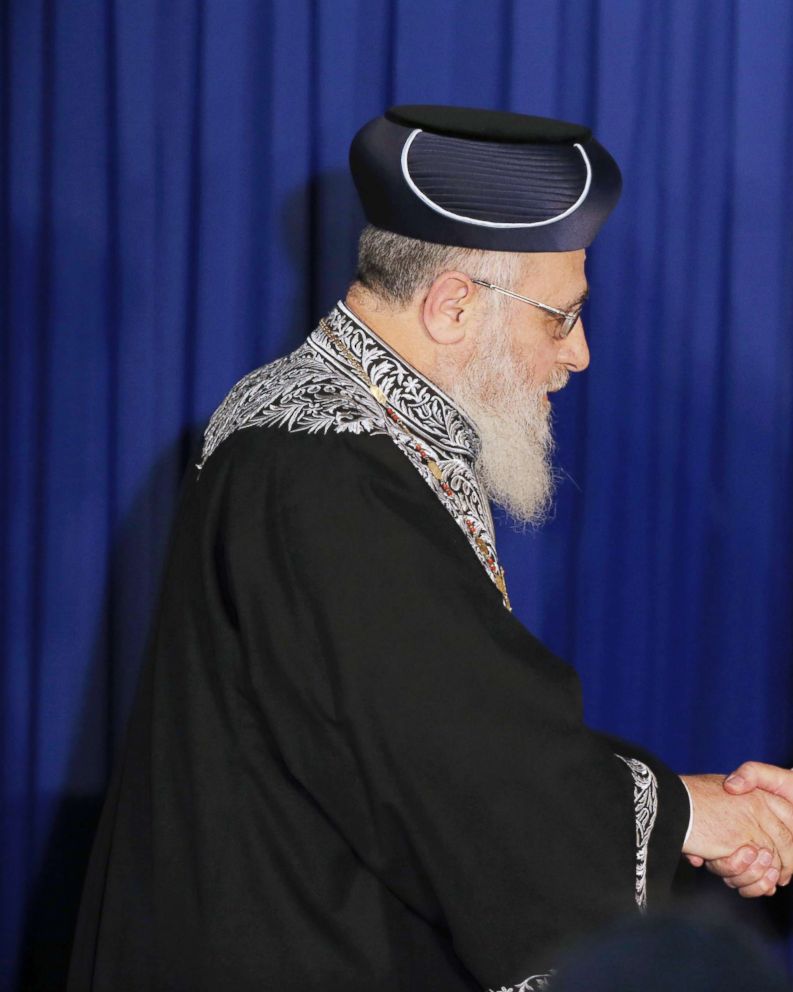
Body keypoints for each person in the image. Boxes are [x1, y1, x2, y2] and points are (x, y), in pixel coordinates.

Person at [66, 105, 793, 992]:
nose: (580, 355)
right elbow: (455, 757)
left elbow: (438, 711)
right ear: (452, 305)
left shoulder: (323, 421)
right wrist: (685, 815)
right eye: (560, 320)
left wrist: (678, 807)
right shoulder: (324, 469)